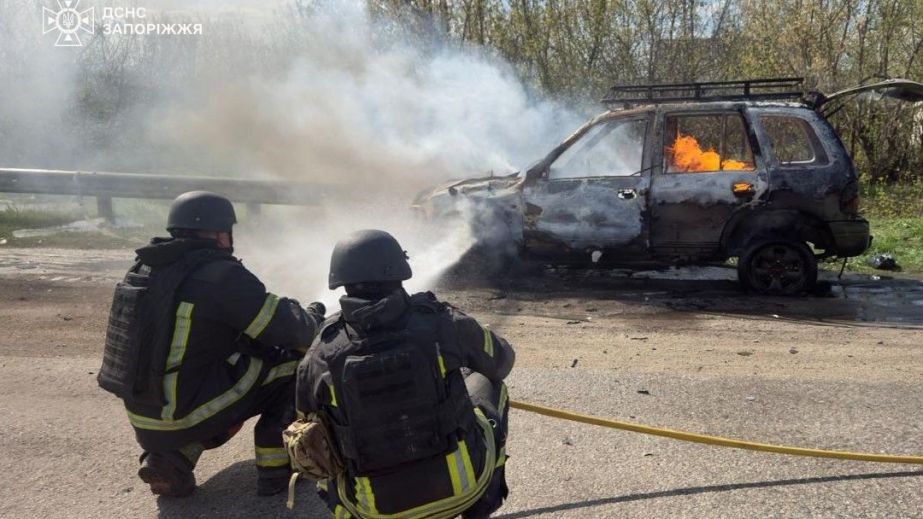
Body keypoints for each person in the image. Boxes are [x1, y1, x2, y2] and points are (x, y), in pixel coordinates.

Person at [98, 191, 325, 497]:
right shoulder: (221, 275)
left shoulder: (145, 268)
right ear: (221, 234)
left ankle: (170, 459)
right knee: (296, 366)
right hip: (185, 410)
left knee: (214, 377)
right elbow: (289, 331)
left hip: (145, 413)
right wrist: (312, 315)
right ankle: (278, 469)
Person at [295, 229, 515, 518]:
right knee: (490, 385)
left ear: (341, 282)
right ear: (399, 271)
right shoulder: (441, 323)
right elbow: (502, 361)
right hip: (460, 491)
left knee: (311, 435)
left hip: (373, 511)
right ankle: (482, 501)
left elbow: (304, 427)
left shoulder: (320, 354)